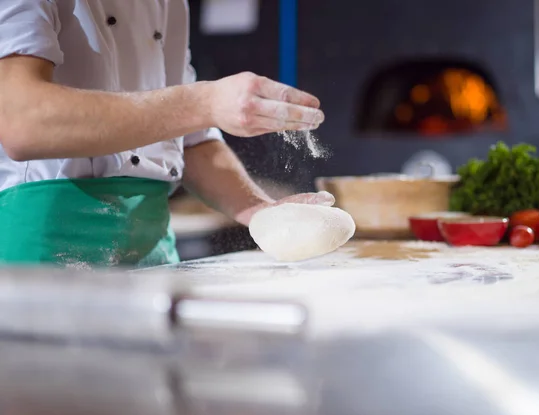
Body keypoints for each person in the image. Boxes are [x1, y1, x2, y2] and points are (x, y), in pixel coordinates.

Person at [0, 1, 334, 267]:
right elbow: (22, 121)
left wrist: (259, 210)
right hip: (45, 255)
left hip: (153, 254)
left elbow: (190, 139)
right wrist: (204, 102)